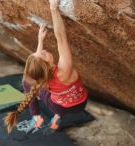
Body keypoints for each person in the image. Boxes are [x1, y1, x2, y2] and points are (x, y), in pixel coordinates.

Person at [5, 0, 88, 136]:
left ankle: (38, 117)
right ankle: (56, 118)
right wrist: (53, 8)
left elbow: (36, 68)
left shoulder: (42, 80)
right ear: (46, 64)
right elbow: (61, 37)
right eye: (42, 53)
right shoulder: (64, 72)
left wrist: (40, 41)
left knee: (27, 81)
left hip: (58, 106)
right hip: (80, 104)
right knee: (30, 81)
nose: (43, 51)